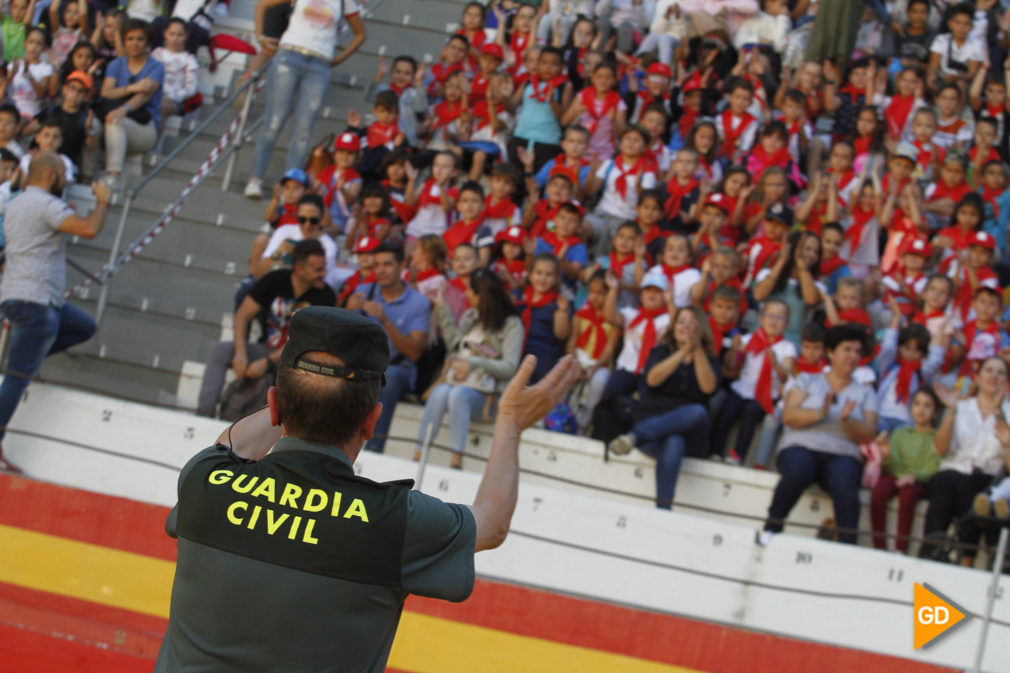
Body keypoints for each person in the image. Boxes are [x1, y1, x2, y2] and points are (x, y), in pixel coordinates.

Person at [154, 305, 580, 672]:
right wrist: (510, 424)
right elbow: (491, 523)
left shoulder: (207, 479)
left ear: (274, 405)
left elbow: (231, 446)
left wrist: (295, 393)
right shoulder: (394, 521)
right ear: (373, 422)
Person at [0, 152, 111, 473]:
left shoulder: (18, 202)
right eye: (63, 172)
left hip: (19, 296)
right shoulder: (47, 205)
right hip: (37, 301)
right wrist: (102, 202)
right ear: (51, 175)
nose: (66, 178)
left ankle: (31, 362)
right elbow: (89, 230)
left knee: (84, 326)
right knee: (16, 378)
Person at [761, 323, 878, 545]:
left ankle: (846, 545)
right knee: (798, 470)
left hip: (843, 452)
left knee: (846, 485)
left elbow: (869, 433)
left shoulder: (866, 391)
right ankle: (772, 527)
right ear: (831, 352)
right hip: (801, 445)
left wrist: (849, 421)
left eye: (857, 352)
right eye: (847, 349)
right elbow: (788, 416)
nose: (852, 356)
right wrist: (819, 413)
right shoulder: (807, 379)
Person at [196, 240, 337, 417]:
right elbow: (242, 315)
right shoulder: (275, 279)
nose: (323, 274)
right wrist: (240, 353)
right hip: (264, 348)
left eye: (324, 269)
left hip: (296, 362)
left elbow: (308, 341)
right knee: (221, 350)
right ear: (299, 269)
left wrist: (268, 362)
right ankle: (204, 412)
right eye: (318, 270)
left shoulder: (326, 296)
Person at [244, 0, 367, 198]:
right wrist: (261, 37)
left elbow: (360, 33)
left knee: (303, 130)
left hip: (319, 64)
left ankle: (291, 188)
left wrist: (338, 59)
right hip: (289, 54)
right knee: (274, 120)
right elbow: (262, 5)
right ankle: (255, 179)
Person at [607, 306, 719, 510]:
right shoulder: (660, 351)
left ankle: (635, 436)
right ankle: (663, 510)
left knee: (698, 412)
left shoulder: (710, 358)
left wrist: (696, 350)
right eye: (681, 321)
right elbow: (652, 379)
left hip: (692, 438)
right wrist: (683, 351)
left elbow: (708, 387)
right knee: (673, 440)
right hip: (655, 434)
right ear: (673, 327)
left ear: (701, 328)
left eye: (692, 322)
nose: (686, 327)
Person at [415, 269, 523, 469]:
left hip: (489, 395)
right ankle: (419, 451)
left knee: (458, 395)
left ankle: (457, 457)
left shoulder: (511, 324)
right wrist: (442, 308)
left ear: (481, 295)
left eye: (470, 291)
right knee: (439, 392)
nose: (466, 295)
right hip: (460, 382)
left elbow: (510, 367)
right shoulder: (471, 316)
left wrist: (475, 363)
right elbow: (456, 346)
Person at [920, 357, 1010, 565]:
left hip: (988, 478)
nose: (994, 376)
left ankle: (966, 557)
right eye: (989, 370)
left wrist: (1004, 434)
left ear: (1006, 381)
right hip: (953, 472)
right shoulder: (961, 407)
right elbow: (941, 450)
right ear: (977, 378)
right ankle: (932, 549)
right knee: (945, 482)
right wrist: (951, 411)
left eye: (1000, 372)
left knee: (977, 486)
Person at [345, 243, 430, 453]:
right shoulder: (363, 292)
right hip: (361, 365)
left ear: (403, 265)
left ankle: (374, 449)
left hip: (396, 369)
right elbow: (343, 337)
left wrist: (385, 320)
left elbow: (415, 352)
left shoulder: (418, 302)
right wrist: (346, 311)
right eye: (376, 265)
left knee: (388, 377)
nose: (380, 270)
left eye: (387, 264)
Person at [100, 18, 164, 187]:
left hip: (145, 126)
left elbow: (144, 95)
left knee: (114, 121)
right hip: (120, 117)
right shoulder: (115, 64)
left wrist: (123, 109)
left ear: (147, 42)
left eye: (140, 39)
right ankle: (84, 176)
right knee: (91, 125)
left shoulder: (156, 67)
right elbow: (106, 91)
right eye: (130, 38)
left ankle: (113, 175)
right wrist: (132, 88)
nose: (135, 43)